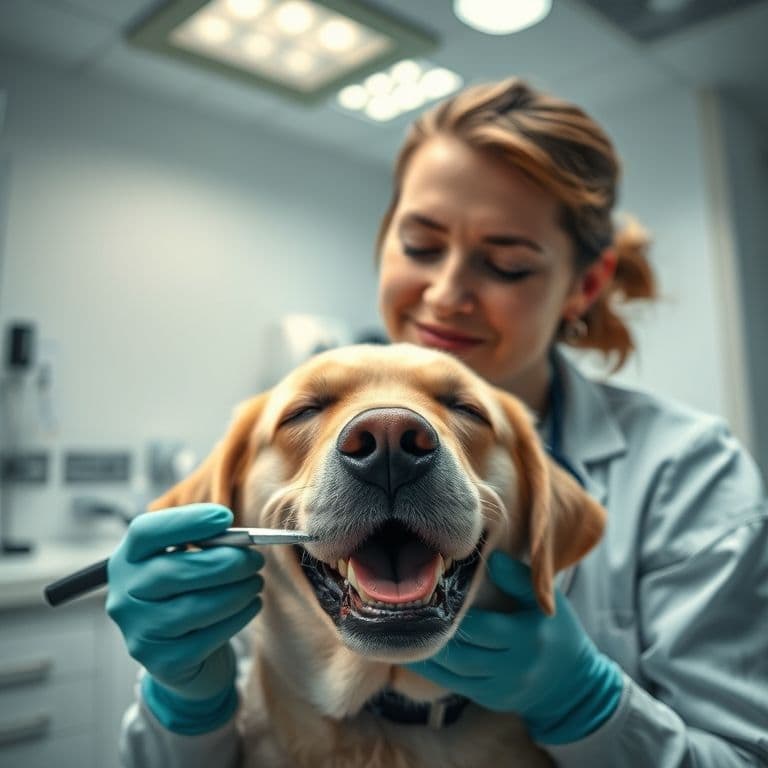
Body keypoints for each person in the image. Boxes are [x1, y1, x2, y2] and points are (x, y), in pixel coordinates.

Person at [107, 78, 768, 767]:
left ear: (586, 285)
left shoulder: (686, 473)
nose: (446, 294)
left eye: (506, 263)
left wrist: (587, 705)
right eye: (420, 247)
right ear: (383, 242)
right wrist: (182, 704)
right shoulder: (271, 450)